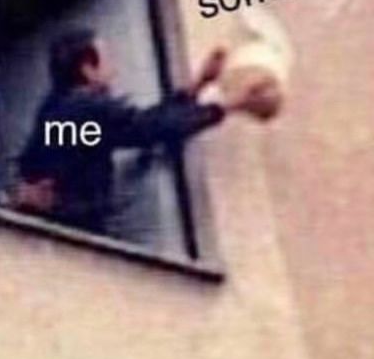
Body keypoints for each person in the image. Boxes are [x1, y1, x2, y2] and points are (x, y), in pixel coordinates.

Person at [15, 28, 249, 234]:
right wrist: (229, 105)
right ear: (88, 69)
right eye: (107, 61)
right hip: (71, 231)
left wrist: (198, 85)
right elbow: (149, 128)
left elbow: (140, 124)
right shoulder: (85, 109)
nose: (114, 70)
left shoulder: (59, 108)